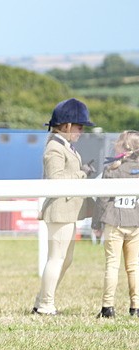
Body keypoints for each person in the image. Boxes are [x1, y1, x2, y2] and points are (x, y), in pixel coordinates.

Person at [32, 98, 95, 316]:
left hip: (69, 209)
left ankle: (42, 299)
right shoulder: (54, 147)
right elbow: (55, 177)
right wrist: (82, 172)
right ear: (66, 125)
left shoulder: (66, 146)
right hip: (60, 208)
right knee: (57, 258)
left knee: (66, 260)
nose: (81, 131)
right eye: (79, 127)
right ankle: (45, 305)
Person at [91, 130, 139, 318]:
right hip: (135, 222)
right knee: (134, 266)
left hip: (113, 221)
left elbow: (103, 199)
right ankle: (135, 306)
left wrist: (96, 222)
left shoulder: (112, 169)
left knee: (112, 265)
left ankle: (107, 307)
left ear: (123, 146)